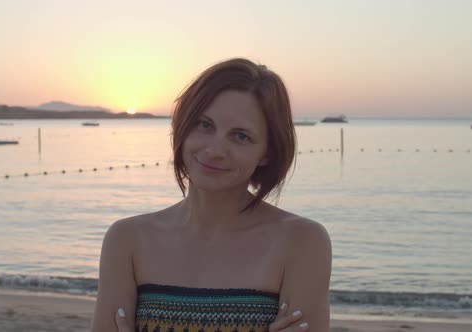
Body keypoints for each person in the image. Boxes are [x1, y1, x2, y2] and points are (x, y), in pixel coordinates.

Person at [90, 58, 332, 332]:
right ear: (183, 126)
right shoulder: (127, 240)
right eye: (204, 125)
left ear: (266, 153)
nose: (215, 150)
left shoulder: (301, 242)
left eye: (240, 136)